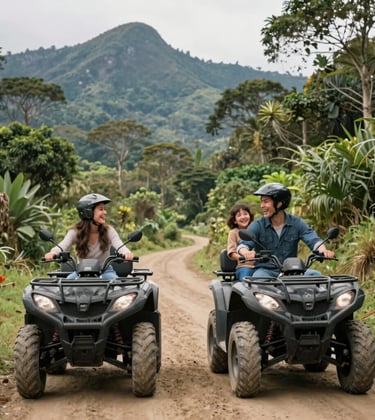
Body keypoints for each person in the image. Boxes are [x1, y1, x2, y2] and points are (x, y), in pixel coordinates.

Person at [237, 183, 335, 277]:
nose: (262, 205)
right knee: (257, 280)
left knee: (316, 276)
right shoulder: (258, 225)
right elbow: (243, 245)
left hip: (292, 270)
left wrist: (323, 251)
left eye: (266, 201)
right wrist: (246, 252)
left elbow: (313, 240)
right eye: (261, 201)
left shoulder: (297, 223)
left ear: (279, 204)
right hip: (266, 271)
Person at [44, 193, 134, 280]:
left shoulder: (108, 230)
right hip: (80, 271)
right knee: (65, 287)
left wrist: (126, 253)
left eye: (104, 209)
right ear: (89, 212)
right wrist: (53, 253)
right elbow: (63, 245)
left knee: (116, 285)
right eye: (101, 209)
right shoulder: (75, 231)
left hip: (105, 271)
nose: (105, 212)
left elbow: (119, 245)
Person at [226, 202, 255, 281]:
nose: (243, 217)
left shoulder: (256, 230)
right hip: (245, 266)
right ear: (234, 220)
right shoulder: (233, 233)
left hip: (261, 266)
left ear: (250, 216)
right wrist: (242, 257)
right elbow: (231, 252)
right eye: (239, 215)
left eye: (245, 214)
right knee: (246, 283)